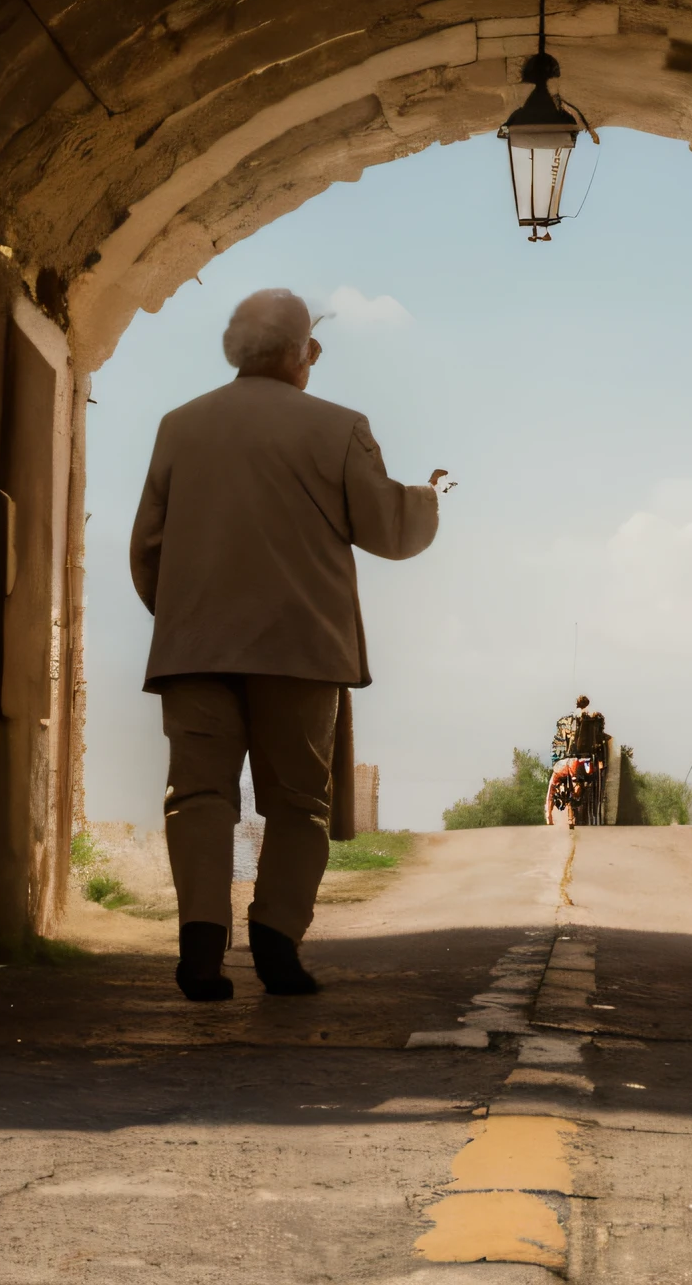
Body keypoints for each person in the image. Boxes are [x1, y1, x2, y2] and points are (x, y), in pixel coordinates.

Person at [130, 288, 445, 1001]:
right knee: (298, 801)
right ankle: (277, 944)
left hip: (196, 650)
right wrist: (430, 498)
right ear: (302, 353)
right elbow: (388, 531)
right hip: (299, 651)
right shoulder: (339, 428)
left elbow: (146, 547)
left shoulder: (179, 427)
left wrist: (186, 620)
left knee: (199, 796)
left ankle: (202, 953)